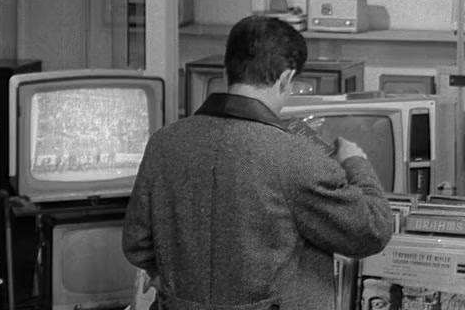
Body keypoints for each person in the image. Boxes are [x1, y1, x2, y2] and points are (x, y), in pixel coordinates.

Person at [122, 15, 393, 310]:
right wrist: (355, 163)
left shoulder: (163, 142)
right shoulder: (297, 157)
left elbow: (137, 245)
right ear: (286, 78)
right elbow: (372, 231)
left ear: (226, 70)